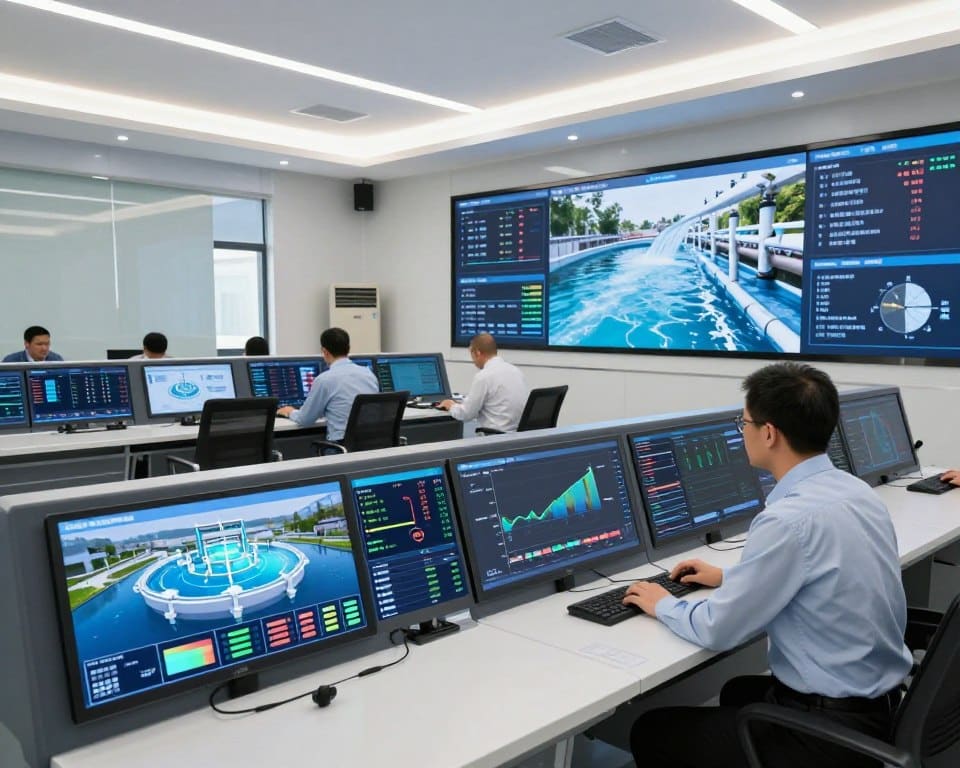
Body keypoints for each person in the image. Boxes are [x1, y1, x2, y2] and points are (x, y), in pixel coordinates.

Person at [625, 362, 913, 768]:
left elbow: (719, 629)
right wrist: (731, 577)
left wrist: (661, 603)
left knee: (651, 730)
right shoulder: (856, 491)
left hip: (829, 735)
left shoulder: (786, 521)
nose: (741, 431)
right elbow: (827, 573)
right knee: (738, 691)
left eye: (742, 422)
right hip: (882, 704)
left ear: (769, 433)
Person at [276, 327, 377, 441]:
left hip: (341, 447)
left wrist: (289, 411)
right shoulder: (369, 374)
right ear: (348, 348)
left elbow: (305, 420)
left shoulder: (324, 380)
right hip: (369, 444)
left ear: (325, 351)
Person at [437, 333, 528, 433]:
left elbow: (466, 414)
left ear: (477, 353)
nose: (473, 361)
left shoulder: (483, 377)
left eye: (471, 354)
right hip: (518, 438)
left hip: (495, 439)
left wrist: (451, 405)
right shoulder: (516, 371)